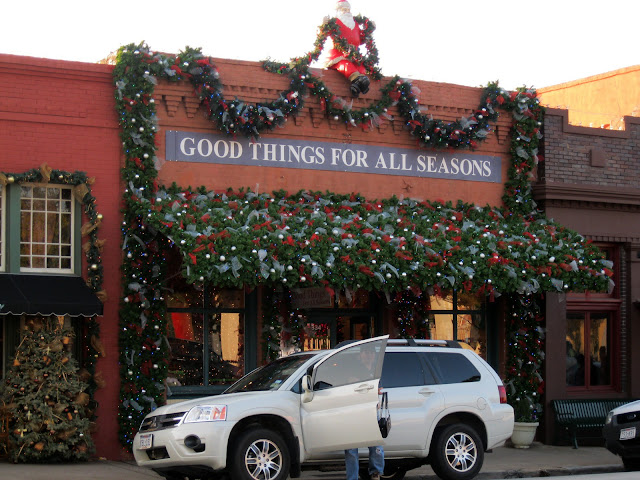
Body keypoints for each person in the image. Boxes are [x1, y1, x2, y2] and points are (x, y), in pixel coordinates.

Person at [344, 343, 384, 480]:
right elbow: (349, 384)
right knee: (351, 449)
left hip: (372, 413)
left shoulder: (376, 370)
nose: (369, 356)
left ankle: (376, 473)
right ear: (360, 355)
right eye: (366, 353)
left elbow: (379, 389)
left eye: (371, 353)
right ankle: (352, 477)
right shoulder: (354, 369)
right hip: (355, 413)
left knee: (376, 447)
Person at [324, 0, 371, 97]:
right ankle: (358, 83)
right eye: (344, 9)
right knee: (345, 65)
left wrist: (369, 30)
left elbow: (360, 39)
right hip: (339, 54)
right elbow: (324, 33)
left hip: (354, 55)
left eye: (348, 9)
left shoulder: (355, 24)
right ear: (339, 10)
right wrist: (324, 25)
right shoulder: (335, 22)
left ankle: (356, 86)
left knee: (361, 68)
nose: (347, 12)